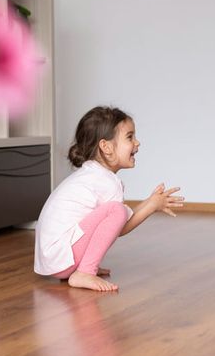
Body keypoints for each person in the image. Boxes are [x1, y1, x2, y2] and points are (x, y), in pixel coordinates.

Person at [34, 106, 183, 292]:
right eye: (130, 137)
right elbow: (120, 226)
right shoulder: (105, 181)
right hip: (60, 258)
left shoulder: (93, 174)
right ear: (106, 147)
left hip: (55, 259)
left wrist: (151, 201)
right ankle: (85, 272)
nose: (137, 143)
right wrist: (151, 206)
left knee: (115, 211)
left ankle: (84, 268)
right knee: (116, 210)